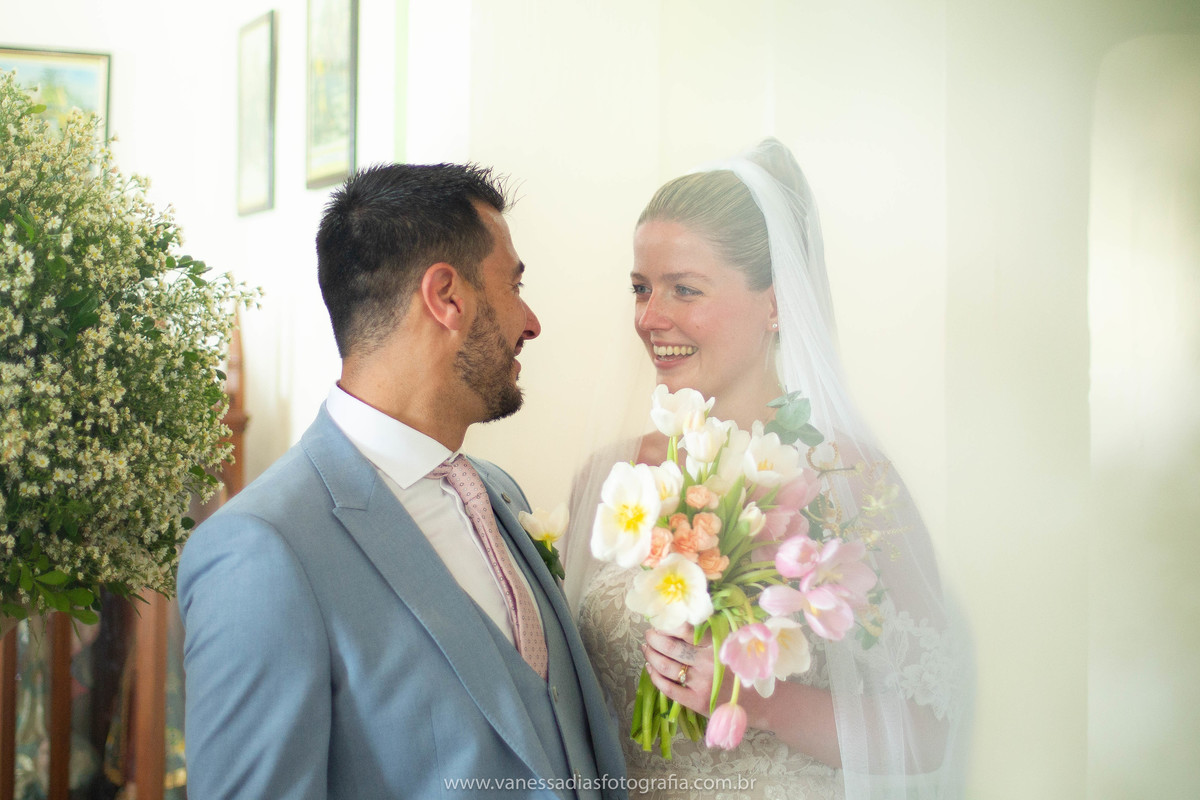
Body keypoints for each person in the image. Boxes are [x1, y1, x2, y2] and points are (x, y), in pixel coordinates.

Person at [179, 163, 627, 799]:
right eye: (514, 285)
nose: (531, 322)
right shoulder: (261, 552)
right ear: (446, 296)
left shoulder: (501, 494)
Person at [564, 140, 972, 799]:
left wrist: (763, 701)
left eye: (683, 290)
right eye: (641, 289)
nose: (649, 317)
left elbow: (929, 731)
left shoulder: (850, 479)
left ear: (776, 303)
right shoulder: (611, 480)